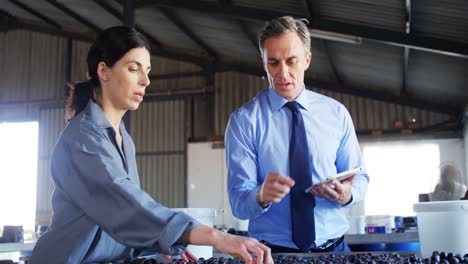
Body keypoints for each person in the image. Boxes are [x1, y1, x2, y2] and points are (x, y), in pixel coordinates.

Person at [29, 26, 272, 264]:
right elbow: (127, 208)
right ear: (104, 71)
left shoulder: (123, 138)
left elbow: (121, 226)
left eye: (147, 71)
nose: (145, 81)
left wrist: (158, 246)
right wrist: (215, 236)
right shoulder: (83, 138)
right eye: (133, 69)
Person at [225, 16, 369, 253]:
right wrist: (260, 195)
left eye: (291, 61)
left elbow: (360, 177)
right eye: (273, 63)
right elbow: (239, 204)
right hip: (272, 254)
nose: (283, 74)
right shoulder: (244, 122)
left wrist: (346, 195)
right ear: (263, 63)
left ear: (307, 60)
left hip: (335, 251)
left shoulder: (336, 114)